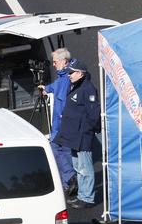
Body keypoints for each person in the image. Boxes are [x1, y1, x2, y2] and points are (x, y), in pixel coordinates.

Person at [53, 60, 101, 209]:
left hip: (82, 136)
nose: (69, 75)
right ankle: (82, 195)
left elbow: (93, 113)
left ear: (80, 73)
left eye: (72, 73)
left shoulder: (88, 89)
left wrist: (88, 130)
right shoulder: (76, 86)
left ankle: (87, 198)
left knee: (85, 167)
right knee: (78, 167)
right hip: (73, 135)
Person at [41, 48, 77, 196]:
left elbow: (63, 96)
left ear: (63, 61)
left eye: (55, 62)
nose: (53, 65)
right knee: (58, 150)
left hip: (64, 123)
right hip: (59, 124)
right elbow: (55, 86)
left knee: (61, 151)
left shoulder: (69, 77)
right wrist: (46, 88)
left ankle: (70, 180)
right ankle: (68, 182)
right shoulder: (62, 77)